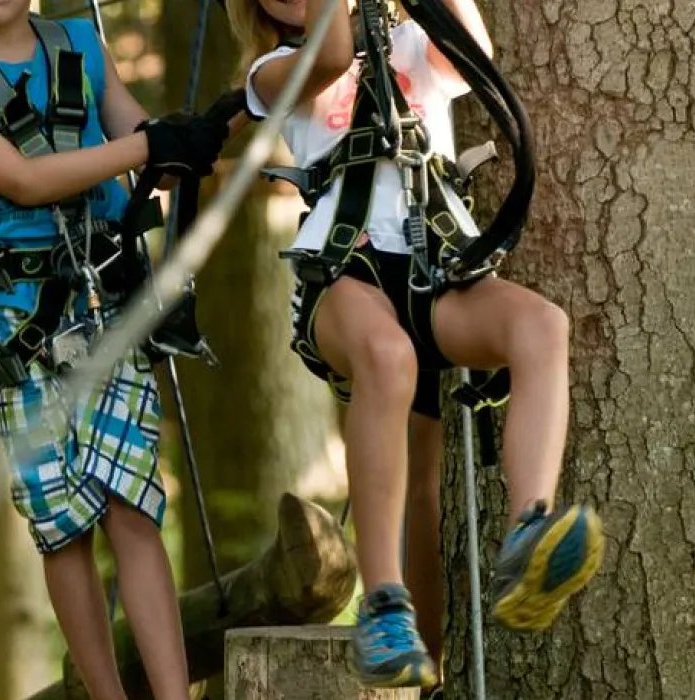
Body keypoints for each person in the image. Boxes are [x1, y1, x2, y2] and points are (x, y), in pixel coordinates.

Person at [229, 0, 606, 689]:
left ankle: (530, 527)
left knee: (540, 327)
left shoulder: (410, 37)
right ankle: (383, 602)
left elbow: (470, 50)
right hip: (346, 273)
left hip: (437, 270)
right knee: (387, 357)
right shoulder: (271, 71)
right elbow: (334, 55)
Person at [0, 2, 230, 698]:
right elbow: (21, 179)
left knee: (131, 501)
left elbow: (142, 139)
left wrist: (190, 139)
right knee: (62, 523)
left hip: (104, 306)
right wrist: (148, 147)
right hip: (13, 323)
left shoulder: (79, 44)